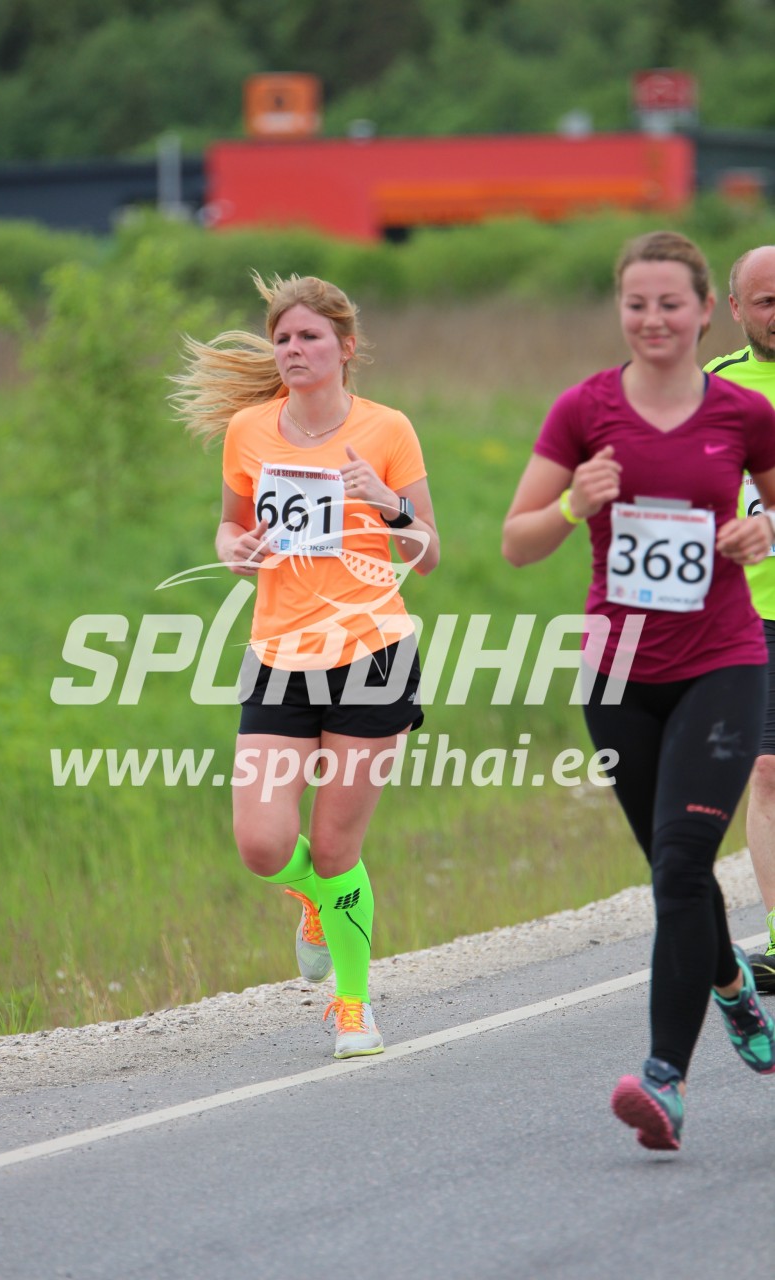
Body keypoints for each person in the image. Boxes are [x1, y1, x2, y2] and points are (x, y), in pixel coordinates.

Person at [502, 230, 775, 1152]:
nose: (652, 319)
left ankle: (664, 1079)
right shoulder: (583, 411)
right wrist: (573, 503)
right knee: (675, 872)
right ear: (621, 312)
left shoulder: (742, 413)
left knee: (681, 863)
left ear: (703, 312)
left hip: (723, 661)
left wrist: (762, 530)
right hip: (617, 673)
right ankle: (730, 984)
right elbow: (516, 540)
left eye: (668, 303)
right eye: (635, 304)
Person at [173, 273, 439, 1059]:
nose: (293, 349)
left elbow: (426, 552)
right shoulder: (249, 430)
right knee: (262, 844)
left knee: (334, 849)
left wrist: (385, 502)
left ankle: (352, 1007)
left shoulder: (387, 428)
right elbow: (228, 529)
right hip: (279, 656)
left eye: (309, 337)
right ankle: (317, 903)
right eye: (283, 338)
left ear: (344, 348)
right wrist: (237, 551)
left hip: (370, 655)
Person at [704, 246, 775, 992]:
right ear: (735, 309)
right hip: (756, 612)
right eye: (766, 302)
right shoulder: (715, 389)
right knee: (767, 769)